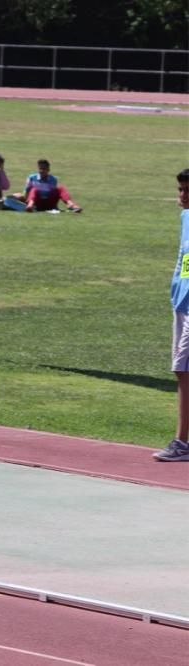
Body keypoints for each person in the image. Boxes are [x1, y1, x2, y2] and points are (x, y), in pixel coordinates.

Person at [158, 169, 189, 462]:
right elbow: (184, 259)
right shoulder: (185, 218)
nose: (182, 196)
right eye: (181, 189)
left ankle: (182, 442)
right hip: (181, 303)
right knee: (181, 369)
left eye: (187, 190)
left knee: (185, 370)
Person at [17, 159, 82, 213]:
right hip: (36, 202)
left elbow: (53, 193)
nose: (41, 171)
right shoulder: (32, 177)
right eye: (40, 169)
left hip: (48, 201)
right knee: (35, 189)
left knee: (60, 188)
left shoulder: (53, 179)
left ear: (48, 170)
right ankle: (30, 206)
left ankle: (71, 205)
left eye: (44, 169)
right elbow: (26, 191)